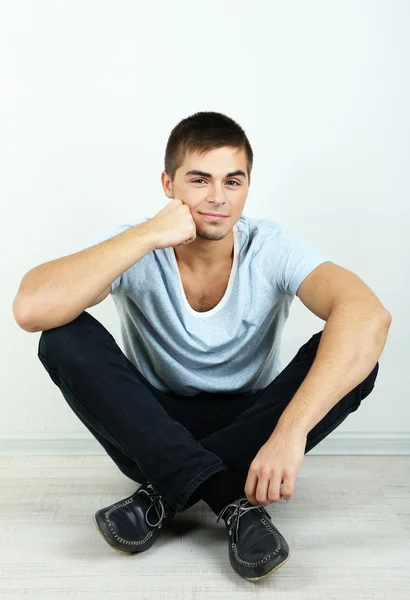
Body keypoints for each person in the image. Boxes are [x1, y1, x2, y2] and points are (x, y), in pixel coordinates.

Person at [13, 111, 388, 582]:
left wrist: (290, 432)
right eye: (199, 180)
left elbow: (369, 315)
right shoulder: (138, 243)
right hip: (149, 432)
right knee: (63, 336)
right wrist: (148, 234)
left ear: (248, 186)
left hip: (254, 426)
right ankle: (231, 500)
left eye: (233, 181)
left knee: (356, 354)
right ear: (168, 184)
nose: (217, 197)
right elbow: (30, 309)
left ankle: (159, 495)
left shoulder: (270, 246)